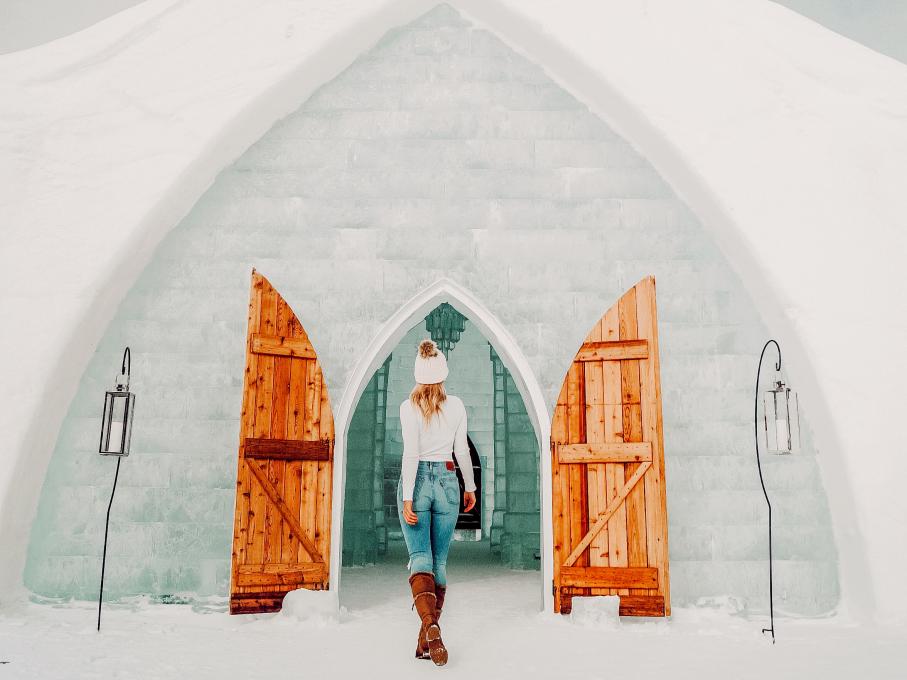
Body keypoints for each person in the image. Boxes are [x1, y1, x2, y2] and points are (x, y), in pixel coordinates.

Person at [397, 338, 477, 666]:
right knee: (439, 563)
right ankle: (426, 641)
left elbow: (411, 454)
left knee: (419, 556)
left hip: (418, 483)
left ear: (418, 375)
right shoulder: (456, 405)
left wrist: (407, 498)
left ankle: (430, 626)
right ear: (442, 374)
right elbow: (461, 451)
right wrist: (469, 487)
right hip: (447, 479)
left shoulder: (408, 407)